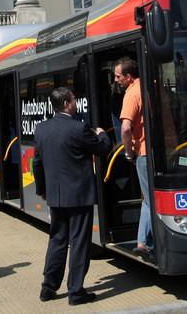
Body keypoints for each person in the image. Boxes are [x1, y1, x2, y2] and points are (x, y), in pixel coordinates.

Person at [33, 87, 111, 306]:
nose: (77, 103)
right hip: (79, 197)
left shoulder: (42, 129)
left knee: (57, 240)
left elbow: (37, 163)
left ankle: (48, 288)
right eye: (75, 100)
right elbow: (103, 148)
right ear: (67, 104)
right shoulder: (79, 128)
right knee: (79, 243)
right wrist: (102, 133)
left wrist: (42, 190)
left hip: (56, 197)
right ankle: (76, 292)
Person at [117, 56, 153, 261]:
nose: (115, 80)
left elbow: (126, 128)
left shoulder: (131, 94)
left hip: (144, 152)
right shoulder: (150, 85)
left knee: (149, 199)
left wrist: (128, 152)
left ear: (129, 77)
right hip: (159, 150)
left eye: (118, 76)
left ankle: (143, 243)